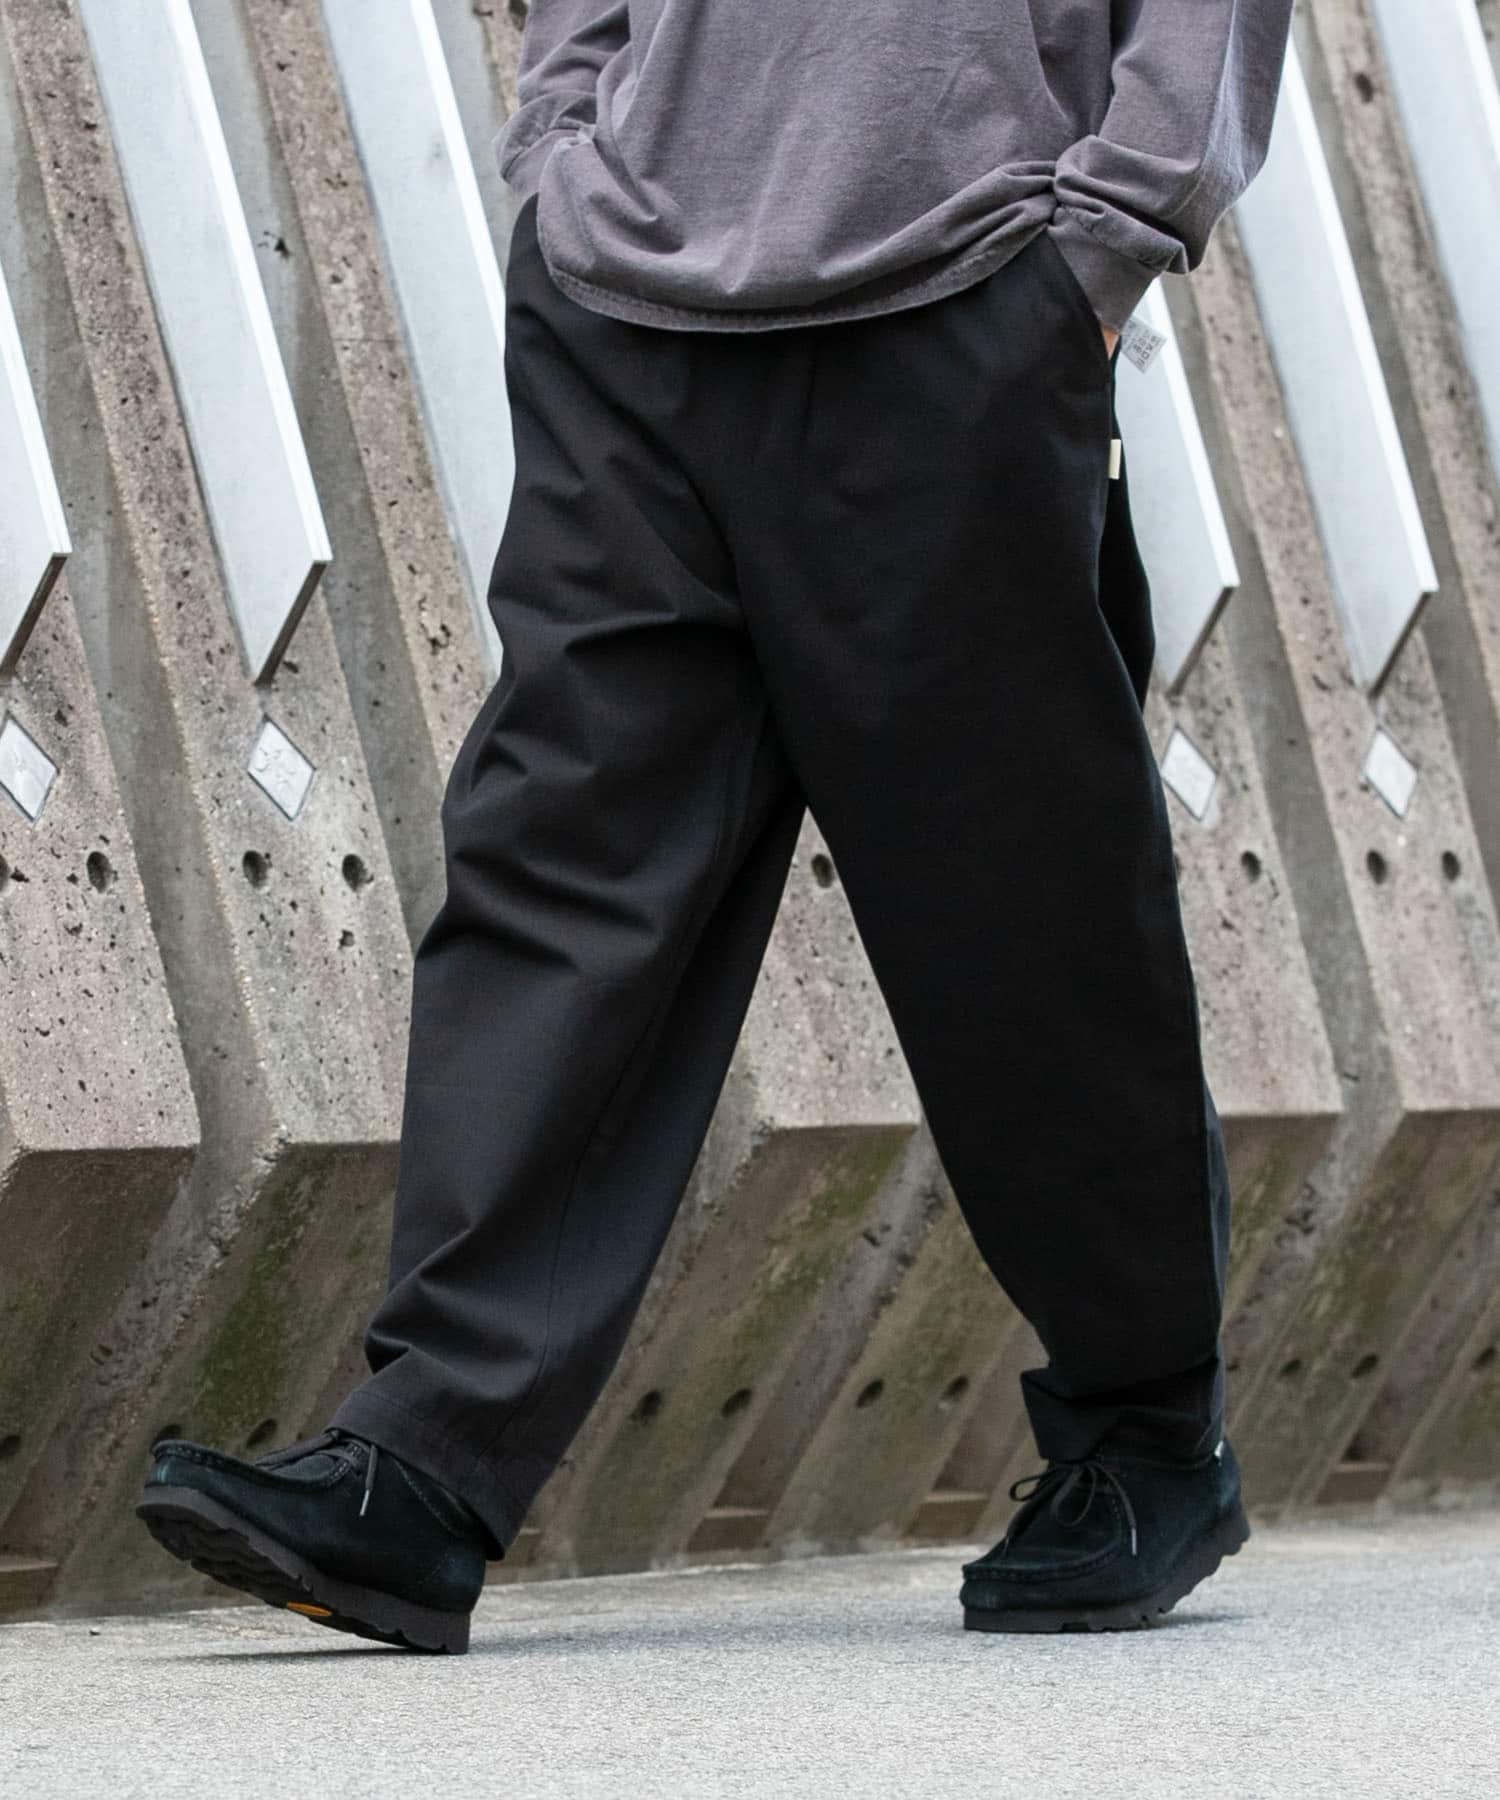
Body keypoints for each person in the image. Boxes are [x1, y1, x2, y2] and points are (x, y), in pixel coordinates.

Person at [138, 0, 1295, 1653]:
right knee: (554, 869)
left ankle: (1146, 1434)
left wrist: (1110, 235)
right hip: (630, 297)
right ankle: (431, 1454)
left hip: (959, 286)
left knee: (1016, 905)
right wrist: (565, 150)